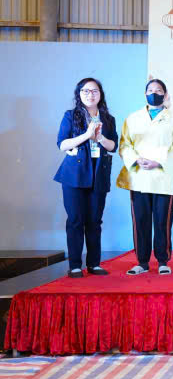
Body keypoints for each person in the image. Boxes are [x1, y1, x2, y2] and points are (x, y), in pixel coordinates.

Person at [117, 79, 173, 276]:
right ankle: (142, 262)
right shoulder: (133, 118)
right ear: (145, 94)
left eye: (159, 90)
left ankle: (163, 261)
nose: (154, 93)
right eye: (150, 90)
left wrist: (158, 162)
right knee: (140, 220)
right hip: (139, 176)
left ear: (165, 94)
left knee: (163, 221)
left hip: (162, 177)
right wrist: (136, 159)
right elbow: (124, 145)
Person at [54, 78, 117, 278]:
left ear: (100, 94)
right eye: (86, 91)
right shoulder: (71, 115)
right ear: (79, 94)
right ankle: (74, 265)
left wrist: (100, 138)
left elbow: (113, 146)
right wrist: (87, 135)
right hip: (74, 174)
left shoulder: (108, 119)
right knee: (75, 220)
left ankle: (94, 264)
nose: (90, 94)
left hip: (99, 173)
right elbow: (62, 144)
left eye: (94, 91)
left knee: (94, 221)